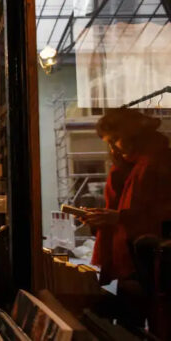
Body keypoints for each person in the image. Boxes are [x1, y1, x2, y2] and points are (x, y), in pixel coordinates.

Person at [81, 108, 171, 329]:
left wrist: (118, 218)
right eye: (109, 143)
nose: (113, 149)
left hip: (151, 265)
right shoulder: (128, 167)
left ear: (132, 134)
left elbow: (162, 213)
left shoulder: (158, 163)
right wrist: (101, 221)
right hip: (132, 264)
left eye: (116, 140)